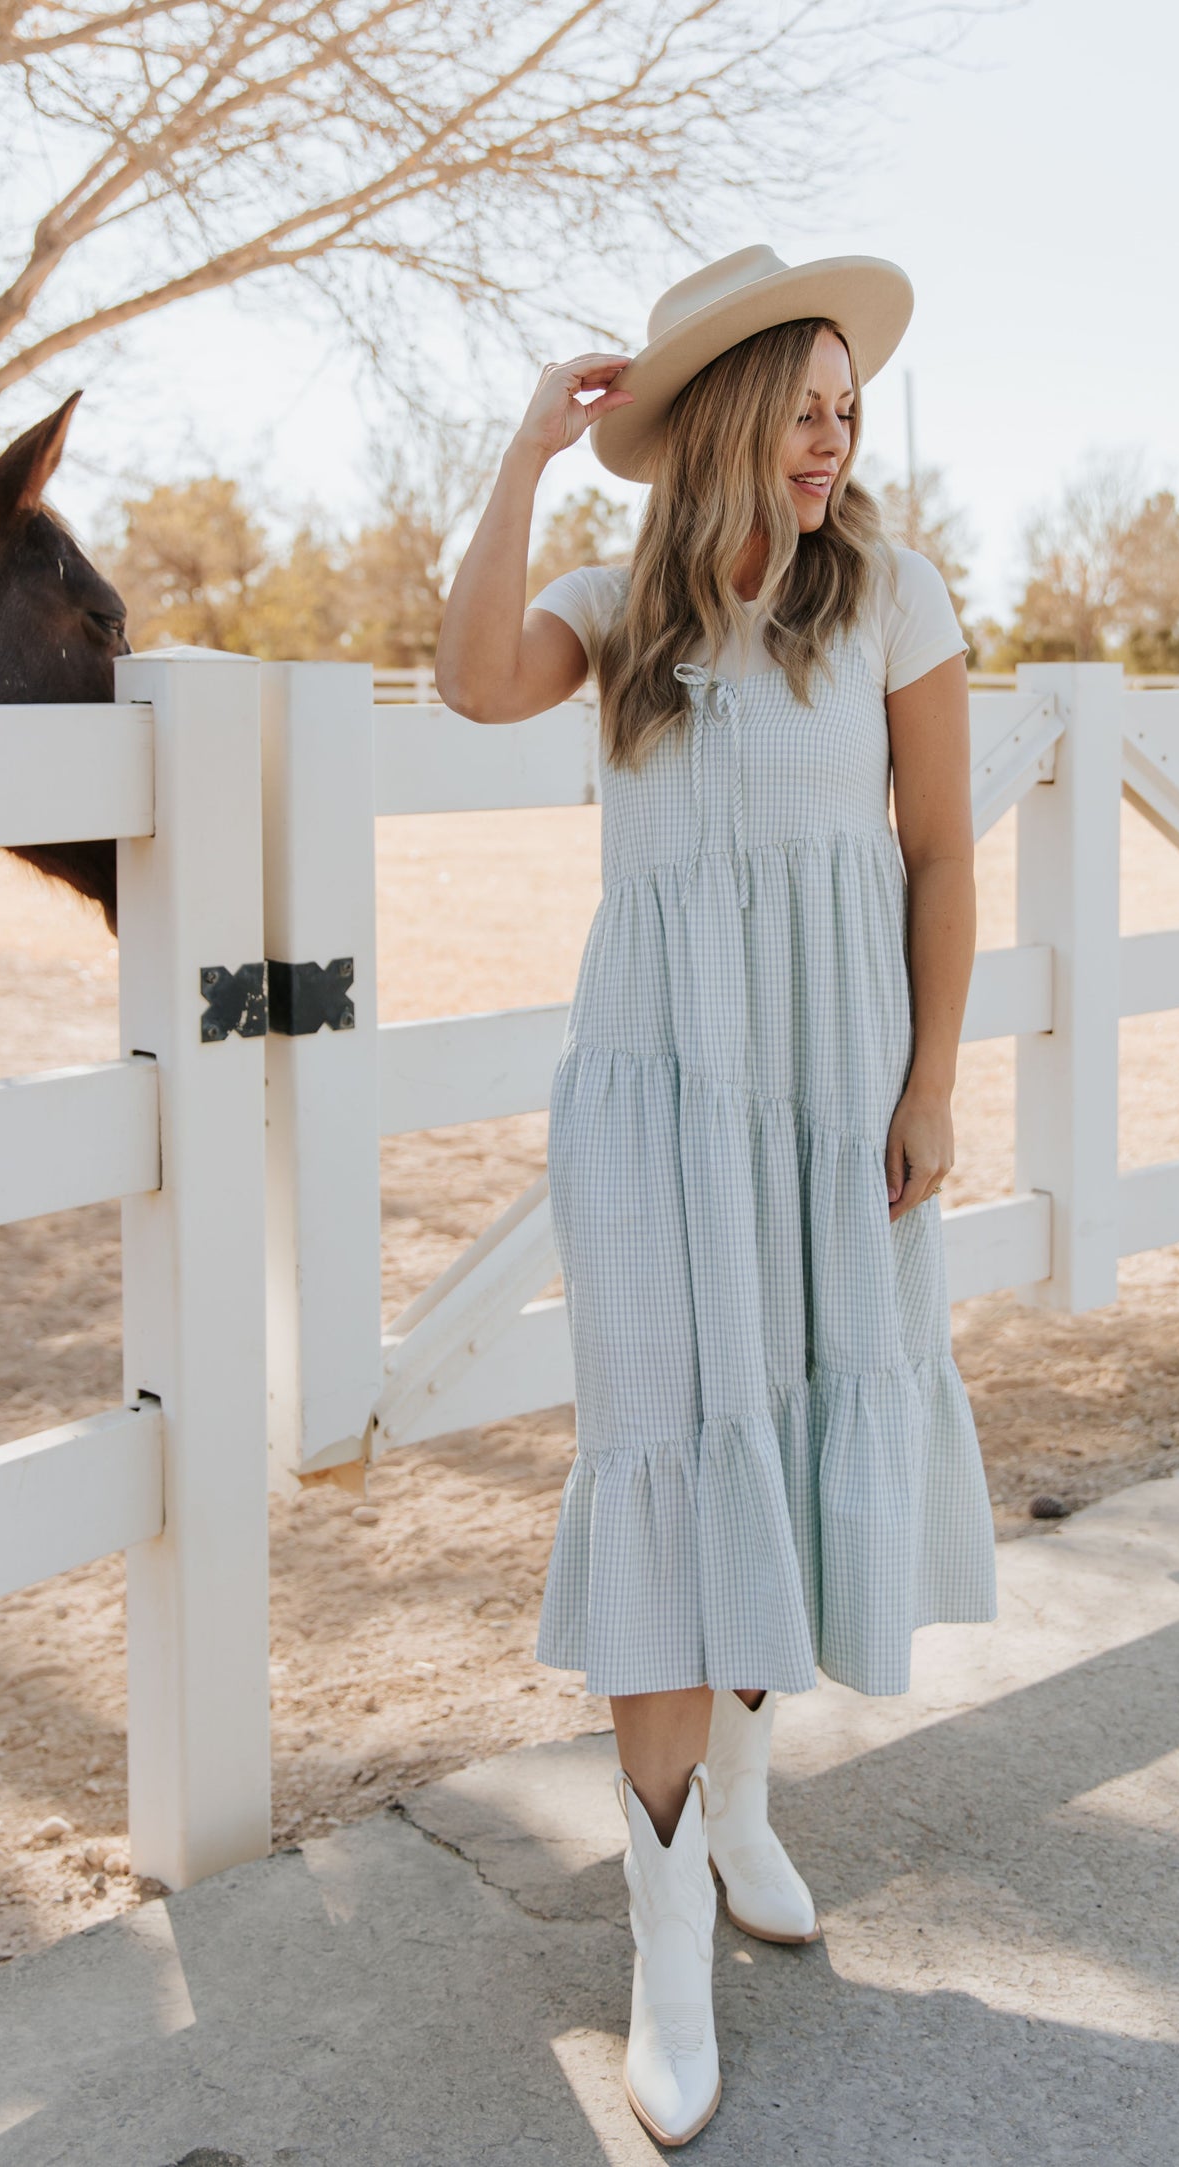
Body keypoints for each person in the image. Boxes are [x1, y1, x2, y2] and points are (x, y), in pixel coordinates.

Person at [436, 243, 996, 2147]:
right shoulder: (614, 612)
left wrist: (926, 1084)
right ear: (734, 412)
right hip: (650, 1095)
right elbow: (460, 678)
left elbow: (939, 865)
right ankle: (662, 1956)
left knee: (789, 1433)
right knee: (672, 1455)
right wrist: (525, 450)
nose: (836, 440)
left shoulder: (896, 599)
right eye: (809, 406)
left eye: (853, 410)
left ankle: (745, 1804)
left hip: (837, 1095)